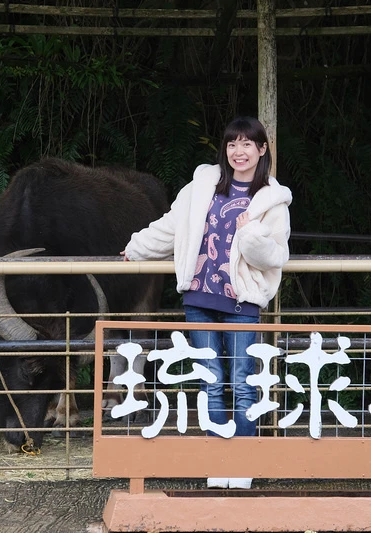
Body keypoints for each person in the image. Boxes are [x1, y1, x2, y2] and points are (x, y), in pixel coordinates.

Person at [121, 116, 292, 490]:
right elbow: (171, 227)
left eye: (247, 144)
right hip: (199, 297)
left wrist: (251, 233)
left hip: (242, 302)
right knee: (210, 381)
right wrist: (136, 248)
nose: (238, 151)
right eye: (232, 144)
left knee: (243, 383)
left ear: (262, 149)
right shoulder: (202, 187)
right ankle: (218, 462)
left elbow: (276, 256)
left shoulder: (272, 199)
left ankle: (242, 465)